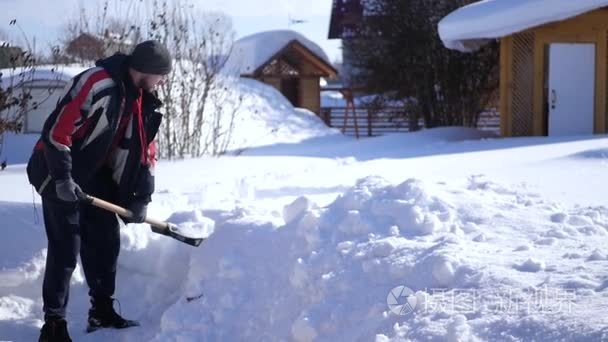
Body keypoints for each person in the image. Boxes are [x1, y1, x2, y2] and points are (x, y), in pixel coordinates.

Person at [27, 40, 172, 342]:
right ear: (147, 70)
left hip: (93, 175)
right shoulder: (96, 82)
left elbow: (145, 153)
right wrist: (63, 179)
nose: (163, 82)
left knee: (106, 242)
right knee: (66, 249)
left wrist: (140, 199)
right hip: (55, 169)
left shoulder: (142, 101)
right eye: (162, 75)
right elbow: (57, 132)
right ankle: (53, 325)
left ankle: (101, 310)